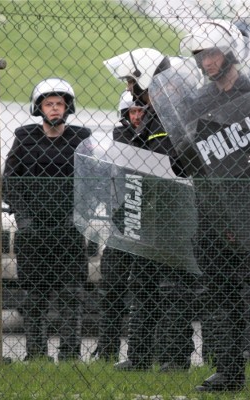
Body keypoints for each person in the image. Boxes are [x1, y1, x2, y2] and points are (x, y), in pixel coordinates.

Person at [175, 20, 250, 392]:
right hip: (213, 209)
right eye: (201, 55)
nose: (206, 62)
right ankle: (228, 368)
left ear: (229, 53)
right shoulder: (200, 99)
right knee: (219, 290)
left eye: (212, 53)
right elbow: (186, 159)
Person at [102, 48, 197, 372]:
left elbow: (173, 164)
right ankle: (140, 356)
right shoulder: (153, 116)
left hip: (172, 214)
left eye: (132, 81)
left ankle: (174, 358)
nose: (129, 88)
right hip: (146, 213)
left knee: (173, 289)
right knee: (141, 285)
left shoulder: (176, 113)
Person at [2, 78, 91, 362]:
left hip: (69, 228)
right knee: (34, 296)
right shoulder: (24, 136)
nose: (54, 109)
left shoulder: (81, 138)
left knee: (70, 294)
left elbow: (93, 181)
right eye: (49, 104)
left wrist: (78, 216)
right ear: (39, 108)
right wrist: (23, 216)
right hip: (32, 229)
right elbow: (10, 181)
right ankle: (36, 353)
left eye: (59, 104)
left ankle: (70, 353)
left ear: (68, 108)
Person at [93, 91, 146, 361]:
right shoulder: (116, 143)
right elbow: (104, 182)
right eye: (132, 112)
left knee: (146, 289)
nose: (136, 117)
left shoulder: (157, 140)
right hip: (121, 224)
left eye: (141, 111)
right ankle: (107, 350)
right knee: (112, 288)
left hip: (150, 225)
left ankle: (145, 351)